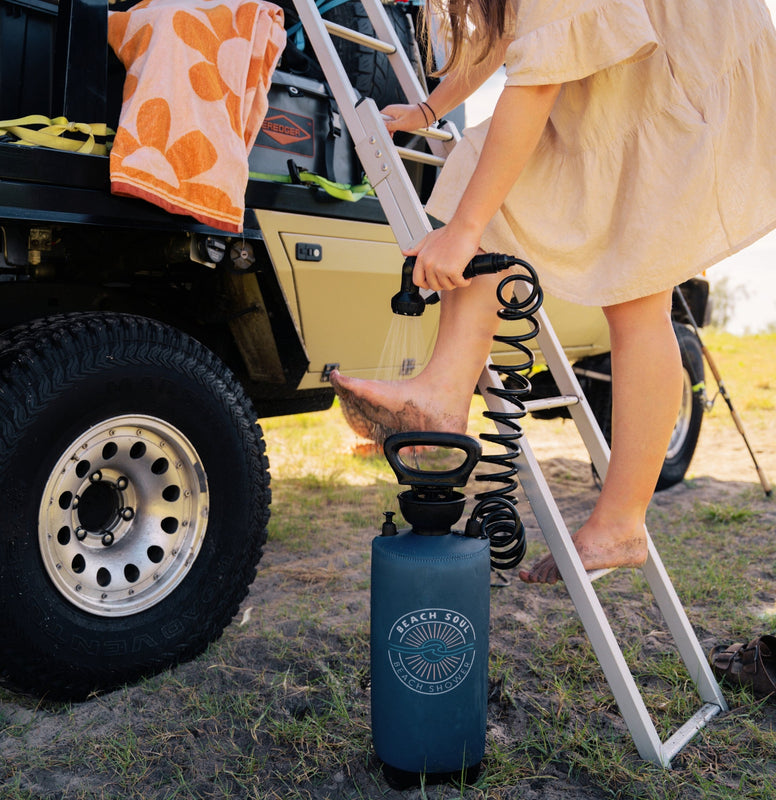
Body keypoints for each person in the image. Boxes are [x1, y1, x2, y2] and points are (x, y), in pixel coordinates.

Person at [330, 0, 776, 583]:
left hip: (679, 74)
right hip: (632, 75)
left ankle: (621, 522)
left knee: (637, 298)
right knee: (488, 171)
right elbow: (517, 33)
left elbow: (538, 79)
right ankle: (442, 391)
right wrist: (430, 108)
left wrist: (463, 231)